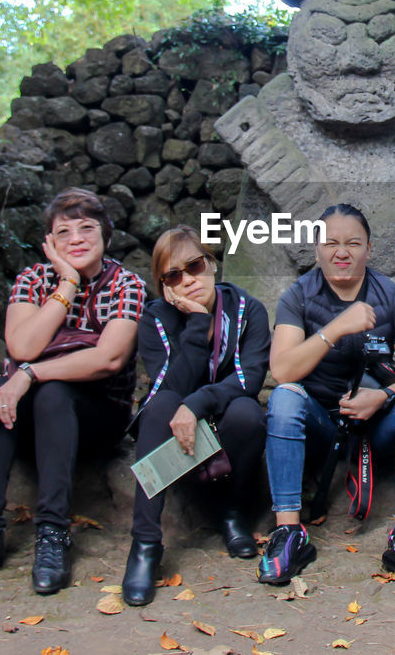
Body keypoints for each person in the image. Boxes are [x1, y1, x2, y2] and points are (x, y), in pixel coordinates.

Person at [0, 188, 146, 594]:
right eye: (64, 231)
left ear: (105, 235)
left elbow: (108, 359)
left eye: (87, 228)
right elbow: (22, 347)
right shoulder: (34, 279)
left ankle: (52, 533)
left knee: (53, 392)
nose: (76, 238)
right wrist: (68, 283)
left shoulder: (127, 284)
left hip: (96, 413)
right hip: (32, 417)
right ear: (50, 242)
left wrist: (31, 375)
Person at [258, 204, 395, 586]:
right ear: (317, 248)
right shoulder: (299, 297)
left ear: (368, 249)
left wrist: (384, 397)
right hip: (322, 422)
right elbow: (283, 370)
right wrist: (336, 328)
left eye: (353, 243)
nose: (342, 252)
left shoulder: (392, 298)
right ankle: (289, 531)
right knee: (285, 397)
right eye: (331, 243)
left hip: (377, 423)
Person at [121, 226, 270, 606]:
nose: (188, 279)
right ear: (164, 285)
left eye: (195, 266)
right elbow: (168, 386)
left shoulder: (246, 309)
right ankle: (145, 543)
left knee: (247, 412)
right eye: (174, 275)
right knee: (161, 406)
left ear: (212, 264)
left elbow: (249, 378)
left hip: (225, 424)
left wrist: (198, 403)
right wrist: (197, 323)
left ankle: (233, 514)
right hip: (175, 432)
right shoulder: (155, 319)